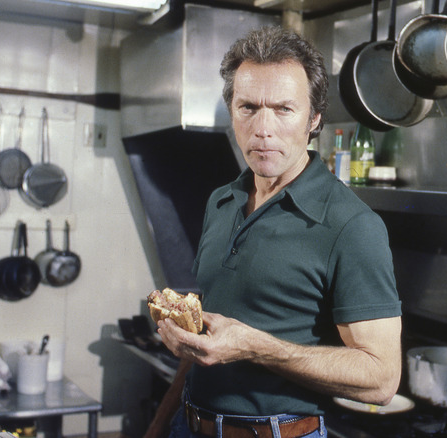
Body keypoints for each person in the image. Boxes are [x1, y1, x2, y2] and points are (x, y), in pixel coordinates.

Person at [143, 25, 402, 438]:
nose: (263, 128)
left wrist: (256, 347)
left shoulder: (352, 226)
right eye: (248, 108)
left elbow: (381, 379)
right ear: (231, 111)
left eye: (284, 109)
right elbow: (208, 339)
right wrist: (160, 425)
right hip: (188, 425)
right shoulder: (222, 201)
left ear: (314, 119)